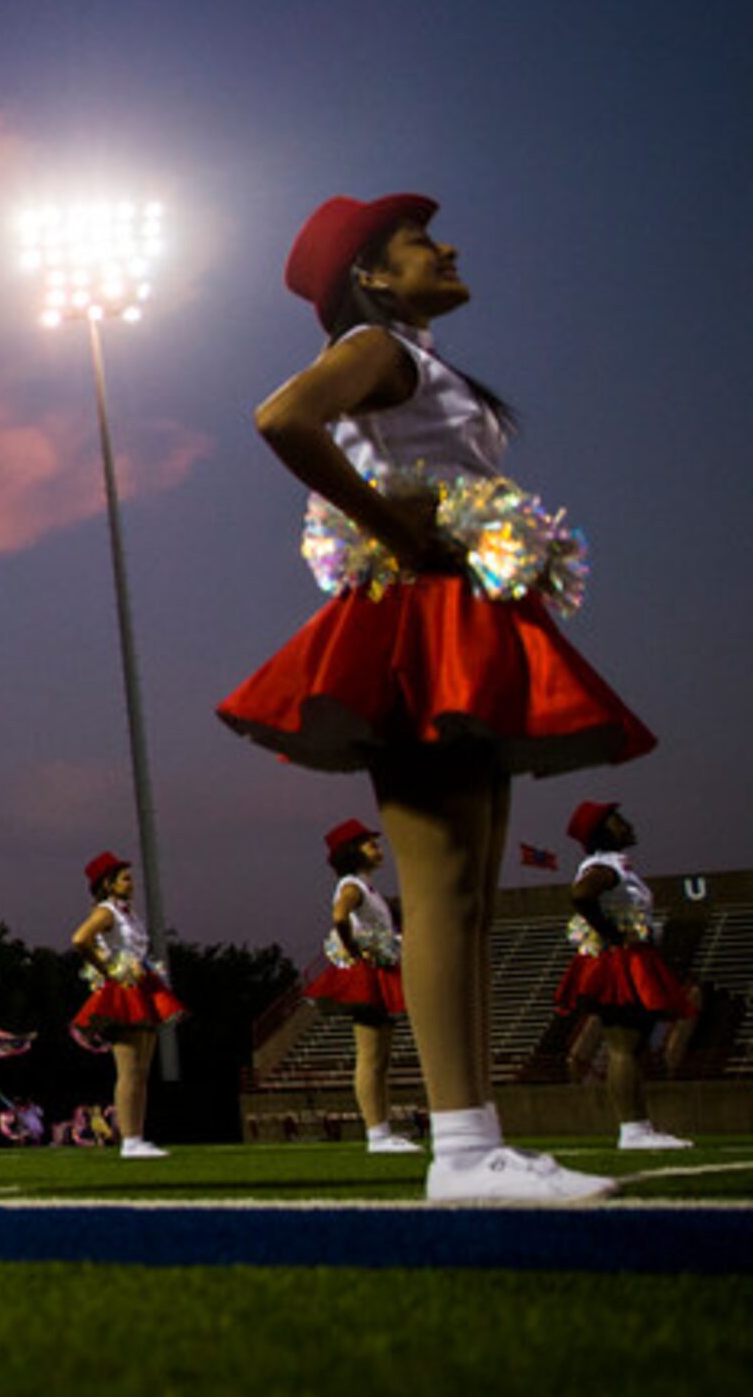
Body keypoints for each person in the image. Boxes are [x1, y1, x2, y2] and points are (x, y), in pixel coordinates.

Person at [217, 194, 649, 1203]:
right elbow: (282, 417)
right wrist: (396, 530)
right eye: (417, 241)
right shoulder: (374, 346)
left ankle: (476, 1138)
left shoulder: (419, 358)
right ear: (368, 274)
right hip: (418, 616)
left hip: (463, 609)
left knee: (471, 893)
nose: (444, 246)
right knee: (444, 883)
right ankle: (461, 1148)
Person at [555, 801, 695, 1150]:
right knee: (624, 1046)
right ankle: (633, 1129)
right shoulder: (605, 864)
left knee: (632, 1045)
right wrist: (613, 934)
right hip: (618, 960)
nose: (627, 825)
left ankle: (639, 1126)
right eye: (618, 821)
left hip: (625, 956)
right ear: (602, 831)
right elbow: (581, 894)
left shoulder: (614, 863)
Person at [305, 820, 420, 1154]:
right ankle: (377, 1134)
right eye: (370, 844)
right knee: (371, 1055)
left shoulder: (366, 887)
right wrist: (353, 949)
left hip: (378, 967)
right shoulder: (352, 885)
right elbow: (340, 915)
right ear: (352, 851)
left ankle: (382, 1128)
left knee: (380, 1056)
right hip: (366, 973)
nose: (378, 849)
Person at [68, 852, 180, 1159]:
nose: (132, 883)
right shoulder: (106, 912)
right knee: (129, 1069)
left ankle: (136, 1135)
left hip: (140, 986)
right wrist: (107, 970)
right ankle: (130, 1139)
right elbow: (80, 939)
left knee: (141, 1069)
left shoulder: (127, 913)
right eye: (125, 878)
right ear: (108, 883)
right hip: (123, 991)